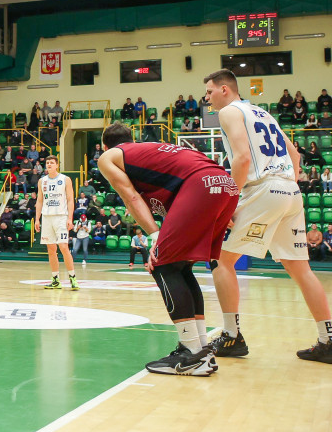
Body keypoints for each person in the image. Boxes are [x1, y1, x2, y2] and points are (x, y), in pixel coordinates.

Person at [202, 69, 332, 363]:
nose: (206, 98)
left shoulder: (229, 113)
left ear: (225, 89)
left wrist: (230, 201)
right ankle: (328, 339)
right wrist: (287, 183)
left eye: (210, 92)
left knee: (221, 260)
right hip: (290, 190)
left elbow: (243, 158)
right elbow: (295, 156)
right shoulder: (263, 113)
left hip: (263, 189)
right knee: (301, 270)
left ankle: (232, 337)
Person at [98, 122, 238, 376]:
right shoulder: (151, 153)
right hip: (223, 183)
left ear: (104, 145)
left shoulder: (110, 156)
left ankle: (190, 353)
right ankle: (202, 349)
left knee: (162, 264)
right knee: (181, 266)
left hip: (200, 185)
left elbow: (130, 197)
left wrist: (154, 236)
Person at [35, 155, 78, 291]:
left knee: (63, 247)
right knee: (51, 250)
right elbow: (40, 200)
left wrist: (70, 218)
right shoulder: (42, 181)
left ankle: (73, 278)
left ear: (57, 165)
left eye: (51, 163)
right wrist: (37, 218)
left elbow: (70, 199)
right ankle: (55, 280)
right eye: (47, 162)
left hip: (61, 216)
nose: (49, 164)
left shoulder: (65, 179)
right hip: (47, 217)